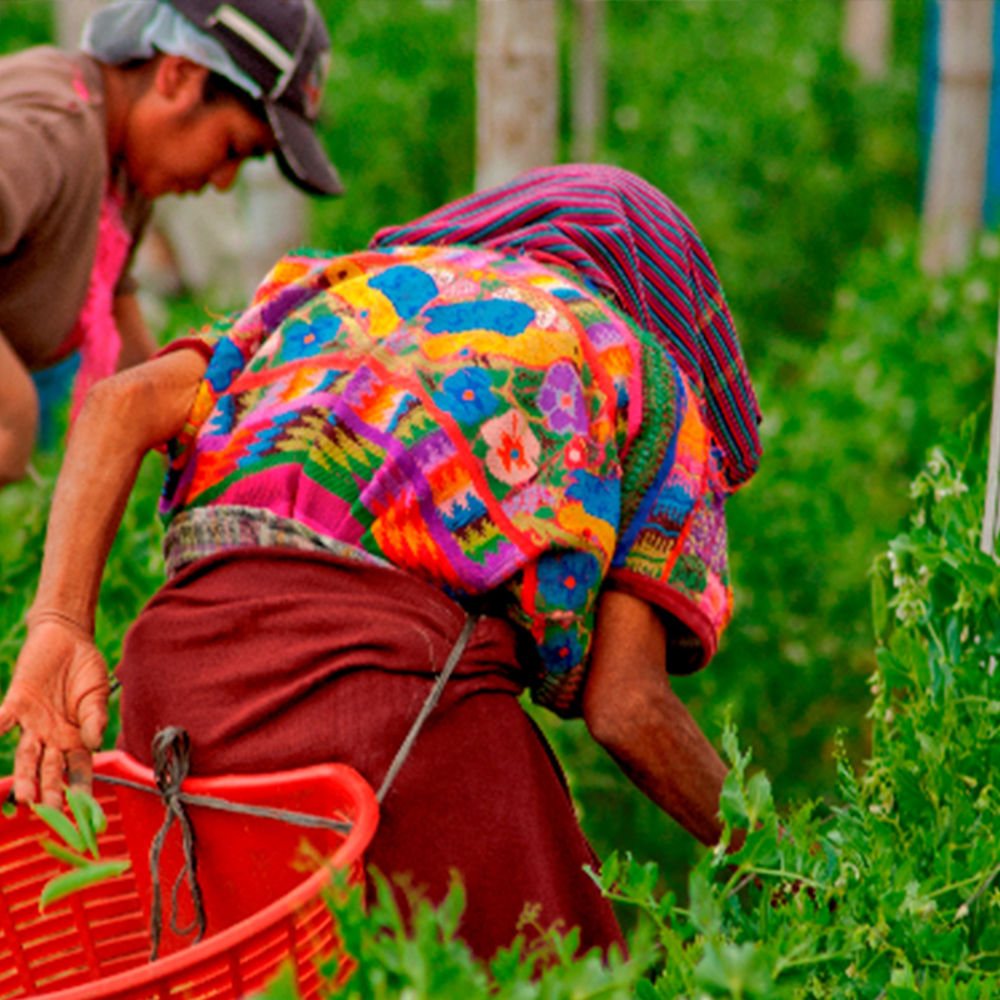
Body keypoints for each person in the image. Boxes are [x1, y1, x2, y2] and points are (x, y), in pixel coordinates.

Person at [0, 164, 762, 960]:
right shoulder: (636, 363)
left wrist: (57, 622)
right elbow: (627, 709)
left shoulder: (336, 293)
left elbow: (118, 403)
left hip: (179, 699)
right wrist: (784, 860)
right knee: (567, 968)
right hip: (383, 699)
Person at [0, 0, 342, 487]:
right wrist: (14, 408)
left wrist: (204, 443)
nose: (224, 182)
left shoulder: (117, 162)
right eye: (233, 148)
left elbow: (120, 324)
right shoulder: (51, 131)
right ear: (179, 76)